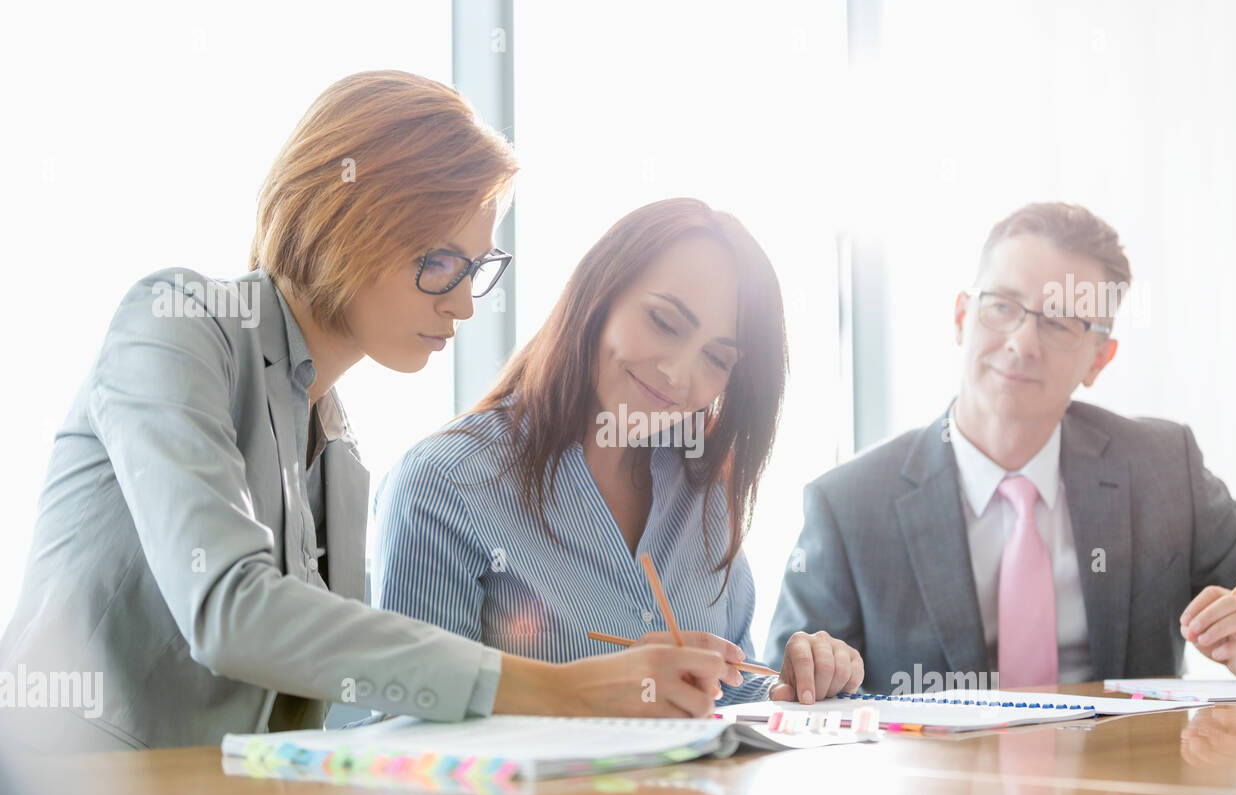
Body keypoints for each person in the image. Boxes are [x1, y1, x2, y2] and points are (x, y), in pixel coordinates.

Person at [0, 71, 730, 753]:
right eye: (441, 263)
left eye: (476, 270)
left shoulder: (340, 454)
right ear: (348, 218)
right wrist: (567, 688)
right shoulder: (176, 325)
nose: (465, 302)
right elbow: (231, 609)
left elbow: (341, 698)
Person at [768, 202, 1236, 694]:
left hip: (1128, 787)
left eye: (1060, 322)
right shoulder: (848, 504)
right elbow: (783, 686)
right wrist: (815, 675)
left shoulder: (1163, 467)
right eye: (1002, 306)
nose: (1022, 343)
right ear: (961, 317)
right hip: (943, 789)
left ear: (1099, 359)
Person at [374, 198, 863, 708]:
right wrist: (585, 699)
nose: (677, 373)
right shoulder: (445, 484)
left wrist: (798, 688)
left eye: (716, 358)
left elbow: (722, 697)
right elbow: (405, 725)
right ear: (600, 296)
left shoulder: (705, 494)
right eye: (664, 323)